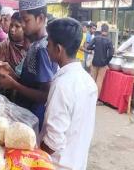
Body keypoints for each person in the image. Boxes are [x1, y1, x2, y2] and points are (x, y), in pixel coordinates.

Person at [40, 18, 97, 170]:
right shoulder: (88, 80)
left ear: (58, 49)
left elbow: (53, 140)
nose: (46, 47)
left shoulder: (63, 85)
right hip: (77, 162)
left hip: (58, 164)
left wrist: (34, 155)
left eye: (49, 43)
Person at [0, 0, 58, 127]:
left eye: (26, 20)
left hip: (34, 117)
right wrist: (12, 74)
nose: (23, 25)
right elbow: (31, 82)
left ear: (40, 18)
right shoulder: (35, 44)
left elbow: (45, 95)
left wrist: (14, 85)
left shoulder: (42, 48)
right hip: (25, 113)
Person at [87, 23, 114, 102]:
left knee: (92, 80)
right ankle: (95, 100)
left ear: (101, 30)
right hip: (103, 64)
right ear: (107, 31)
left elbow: (88, 47)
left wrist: (94, 47)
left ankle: (88, 98)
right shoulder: (109, 40)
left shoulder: (96, 38)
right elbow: (111, 54)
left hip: (95, 62)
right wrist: (106, 62)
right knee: (99, 81)